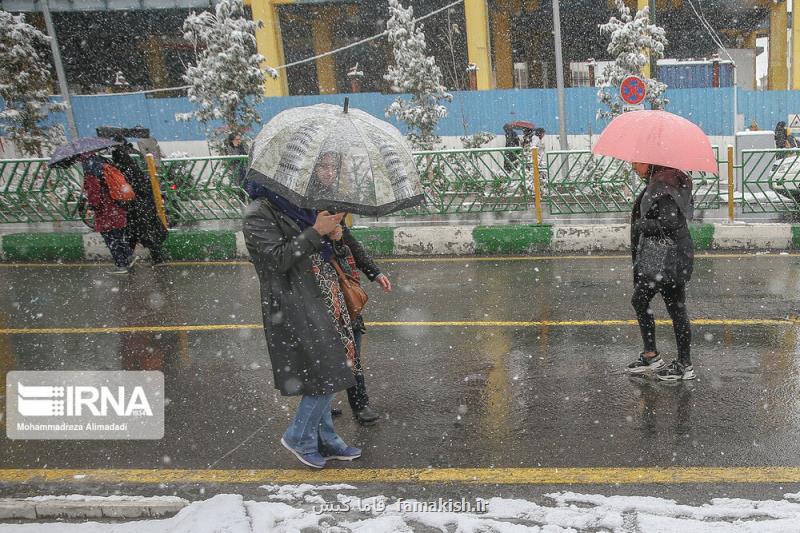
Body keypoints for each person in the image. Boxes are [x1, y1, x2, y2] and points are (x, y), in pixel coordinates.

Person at [242, 188, 362, 469]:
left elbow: (325, 252)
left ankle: (326, 439)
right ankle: (299, 437)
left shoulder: (304, 206)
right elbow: (277, 260)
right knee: (328, 370)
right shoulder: (259, 213)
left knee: (331, 369)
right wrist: (316, 231)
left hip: (323, 292)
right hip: (294, 300)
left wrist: (333, 236)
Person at [626, 163, 695, 381]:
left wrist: (642, 225)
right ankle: (654, 356)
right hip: (667, 258)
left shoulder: (664, 184)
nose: (633, 166)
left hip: (667, 260)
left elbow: (670, 221)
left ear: (649, 161)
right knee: (666, 306)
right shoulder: (667, 179)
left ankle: (682, 364)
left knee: (668, 307)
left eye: (636, 163)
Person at [328, 220, 392, 425]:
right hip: (321, 295)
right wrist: (325, 238)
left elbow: (352, 246)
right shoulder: (304, 216)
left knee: (352, 352)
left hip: (345, 294)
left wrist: (374, 272)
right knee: (324, 353)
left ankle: (359, 404)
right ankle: (321, 405)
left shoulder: (330, 211)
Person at [111, 142, 168, 266]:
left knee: (141, 233)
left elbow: (130, 190)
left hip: (137, 207)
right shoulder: (132, 167)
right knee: (139, 233)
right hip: (143, 205)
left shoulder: (124, 171)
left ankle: (151, 259)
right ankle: (130, 259)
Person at [80, 153, 136, 274]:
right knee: (120, 235)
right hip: (117, 205)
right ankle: (129, 257)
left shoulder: (90, 171)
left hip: (106, 210)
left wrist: (93, 205)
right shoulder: (104, 164)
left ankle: (121, 265)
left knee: (110, 237)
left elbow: (95, 195)